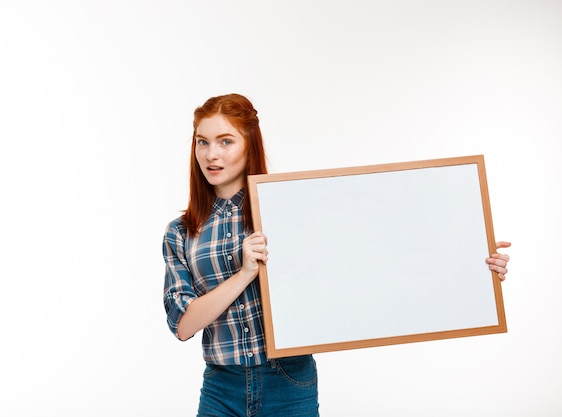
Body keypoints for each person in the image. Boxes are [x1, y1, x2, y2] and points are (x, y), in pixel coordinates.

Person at [162, 93, 511, 417]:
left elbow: (375, 254)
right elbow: (183, 324)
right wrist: (244, 274)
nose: (212, 155)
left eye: (226, 141)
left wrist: (469, 255)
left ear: (249, 145)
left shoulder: (288, 211)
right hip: (221, 387)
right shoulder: (181, 232)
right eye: (202, 142)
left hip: (288, 379)